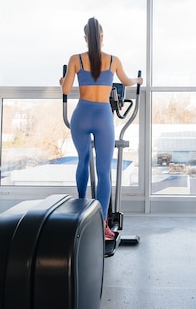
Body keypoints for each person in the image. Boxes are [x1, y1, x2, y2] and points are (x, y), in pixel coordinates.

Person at [60, 17, 143, 239]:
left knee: (83, 161)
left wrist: (63, 80)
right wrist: (138, 80)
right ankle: (103, 224)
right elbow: (126, 82)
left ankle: (80, 214)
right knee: (104, 171)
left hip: (81, 115)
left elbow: (66, 88)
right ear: (102, 38)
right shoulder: (113, 60)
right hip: (102, 116)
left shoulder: (75, 59)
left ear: (86, 38)